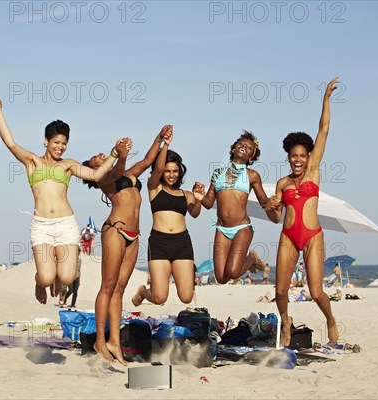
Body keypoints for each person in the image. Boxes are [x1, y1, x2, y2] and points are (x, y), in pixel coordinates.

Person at [0, 99, 124, 304]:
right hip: (42, 226)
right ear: (46, 141)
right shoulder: (32, 161)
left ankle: (54, 281)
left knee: (68, 277)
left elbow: (96, 175)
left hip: (65, 224)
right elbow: (10, 143)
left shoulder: (69, 165)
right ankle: (39, 282)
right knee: (45, 278)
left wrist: (114, 154)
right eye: (56, 142)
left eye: (64, 143)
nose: (60, 147)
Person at [82, 125, 169, 364]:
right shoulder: (105, 179)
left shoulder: (128, 174)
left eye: (101, 154)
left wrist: (159, 138)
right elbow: (115, 170)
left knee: (119, 288)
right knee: (108, 286)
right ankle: (101, 339)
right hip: (115, 231)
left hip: (134, 235)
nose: (100, 155)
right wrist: (119, 155)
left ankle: (114, 342)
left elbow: (148, 159)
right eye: (96, 159)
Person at [267, 76, 341, 346]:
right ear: (288, 156)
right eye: (293, 155)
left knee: (316, 290)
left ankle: (331, 320)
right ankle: (286, 322)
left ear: (308, 155)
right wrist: (271, 207)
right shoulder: (282, 183)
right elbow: (275, 218)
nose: (297, 159)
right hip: (288, 236)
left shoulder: (313, 171)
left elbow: (323, 129)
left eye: (302, 155)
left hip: (312, 236)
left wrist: (325, 99)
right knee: (280, 291)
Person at [132, 130, 205, 307]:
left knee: (187, 297)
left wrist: (199, 200)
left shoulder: (186, 194)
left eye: (175, 171)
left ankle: (147, 291)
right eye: (167, 171)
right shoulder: (154, 188)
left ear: (180, 172)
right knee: (159, 298)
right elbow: (157, 168)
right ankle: (143, 291)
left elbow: (195, 213)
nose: (171, 175)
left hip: (182, 243)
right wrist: (166, 144)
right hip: (159, 243)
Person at [199, 131, 276, 284]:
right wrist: (199, 196)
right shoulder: (218, 173)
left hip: (242, 228)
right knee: (221, 278)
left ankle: (252, 258)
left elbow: (263, 202)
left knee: (233, 273)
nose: (244, 147)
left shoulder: (252, 175)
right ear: (233, 148)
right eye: (241, 144)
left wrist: (272, 203)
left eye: (249, 148)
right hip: (221, 229)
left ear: (251, 157)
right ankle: (248, 261)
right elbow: (208, 203)